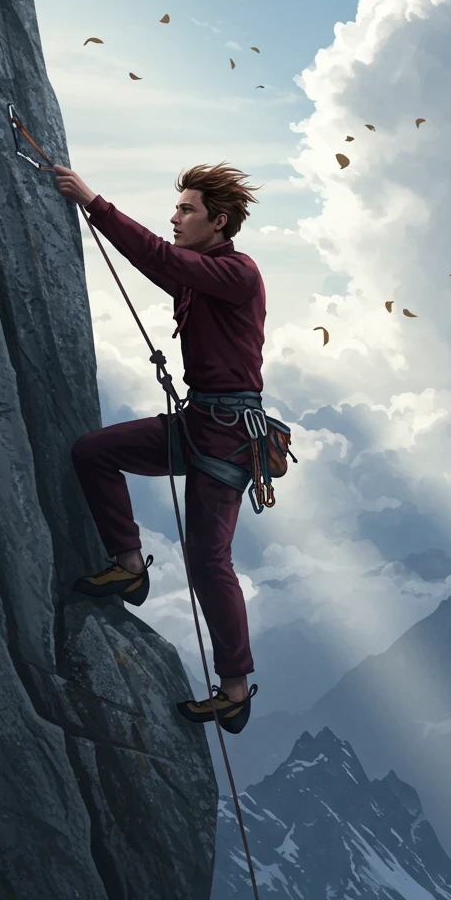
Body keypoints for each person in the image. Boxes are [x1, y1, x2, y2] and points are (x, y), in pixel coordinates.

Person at [55, 160, 265, 735]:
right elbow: (158, 260)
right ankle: (128, 566)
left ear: (218, 221)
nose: (174, 218)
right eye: (176, 209)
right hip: (201, 420)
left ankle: (235, 689)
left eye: (186, 210)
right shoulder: (203, 273)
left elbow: (162, 259)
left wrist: (93, 202)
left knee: (206, 561)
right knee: (92, 452)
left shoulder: (237, 272)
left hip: (224, 435)